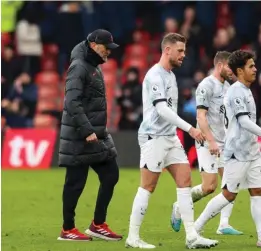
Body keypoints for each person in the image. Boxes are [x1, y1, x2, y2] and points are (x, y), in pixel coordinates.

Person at [125, 33, 218, 249]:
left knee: (184, 180)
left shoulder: (170, 75)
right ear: (167, 50)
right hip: (153, 136)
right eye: (180, 51)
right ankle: (133, 236)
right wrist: (190, 129)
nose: (183, 55)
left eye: (184, 51)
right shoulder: (155, 76)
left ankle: (191, 236)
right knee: (148, 185)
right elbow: (161, 109)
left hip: (169, 137)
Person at [193, 50, 261, 248]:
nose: (255, 69)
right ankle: (195, 229)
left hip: (251, 151)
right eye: (251, 66)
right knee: (228, 194)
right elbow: (243, 121)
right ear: (240, 70)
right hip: (236, 152)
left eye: (254, 65)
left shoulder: (245, 90)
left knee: (258, 191)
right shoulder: (235, 91)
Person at [57, 29, 122, 241]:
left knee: (111, 174)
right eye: (106, 48)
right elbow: (71, 102)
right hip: (80, 135)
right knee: (75, 183)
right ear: (94, 45)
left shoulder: (92, 66)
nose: (108, 53)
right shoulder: (78, 67)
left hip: (96, 135)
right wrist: (87, 130)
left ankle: (97, 224)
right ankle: (67, 229)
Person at [170, 51, 242, 235]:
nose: (232, 71)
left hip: (225, 143)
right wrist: (211, 142)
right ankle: (179, 206)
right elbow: (201, 117)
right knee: (209, 186)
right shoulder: (206, 86)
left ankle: (223, 224)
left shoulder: (228, 87)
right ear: (220, 65)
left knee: (231, 183)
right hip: (207, 141)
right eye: (229, 67)